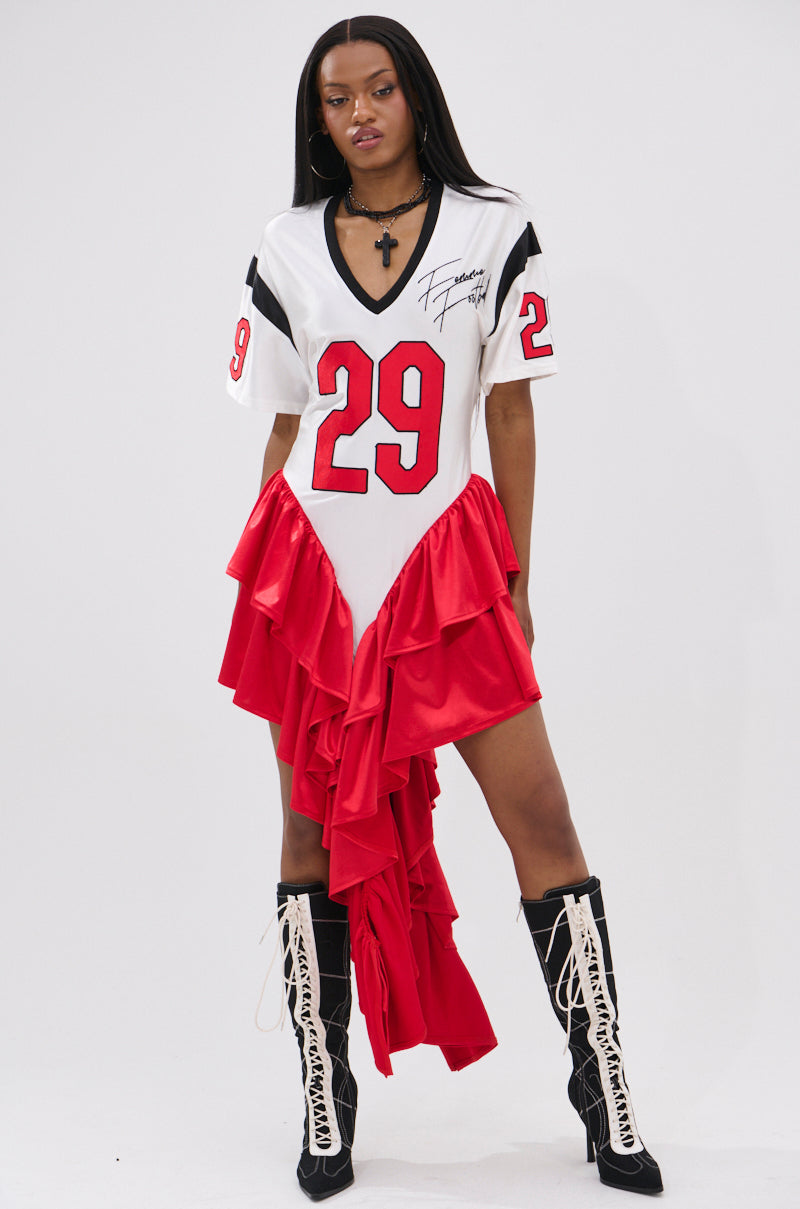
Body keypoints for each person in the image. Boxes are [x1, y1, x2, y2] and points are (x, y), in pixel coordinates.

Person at [219, 14, 662, 1202]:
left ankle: (605, 1095)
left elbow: (508, 410)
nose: (359, 114)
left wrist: (516, 577)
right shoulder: (283, 244)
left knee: (541, 819)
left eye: (379, 89)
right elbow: (284, 427)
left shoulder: (491, 228)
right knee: (309, 836)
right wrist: (266, 592)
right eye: (335, 99)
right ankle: (325, 1099)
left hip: (443, 570)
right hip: (316, 571)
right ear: (317, 120)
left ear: (415, 95)